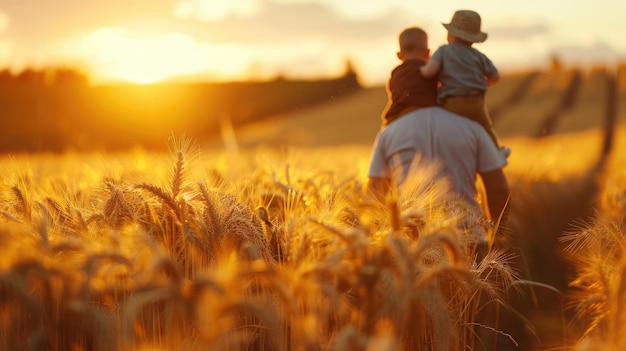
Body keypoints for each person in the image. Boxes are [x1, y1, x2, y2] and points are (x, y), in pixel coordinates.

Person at [366, 106, 510, 251]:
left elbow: (374, 196)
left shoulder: (388, 133)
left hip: (412, 250)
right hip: (472, 244)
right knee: (478, 273)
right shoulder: (472, 126)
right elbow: (498, 189)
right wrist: (496, 236)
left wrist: (379, 245)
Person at [420, 10, 510, 157]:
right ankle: (497, 152)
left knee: (442, 126)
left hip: (452, 103)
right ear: (474, 39)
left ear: (451, 34)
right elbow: (495, 77)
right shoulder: (479, 56)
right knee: (486, 127)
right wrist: (482, 84)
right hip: (476, 102)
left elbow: (430, 71)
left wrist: (421, 68)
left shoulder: (444, 51)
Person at [380, 27, 438, 126]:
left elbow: (393, 96)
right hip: (431, 109)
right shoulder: (431, 70)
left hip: (399, 115)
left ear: (399, 55)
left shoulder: (395, 73)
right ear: (427, 53)